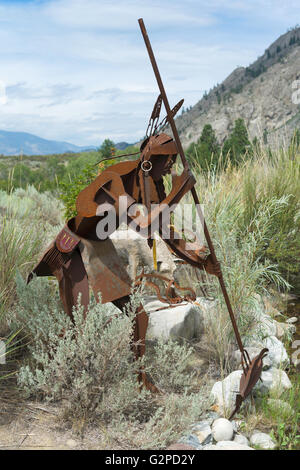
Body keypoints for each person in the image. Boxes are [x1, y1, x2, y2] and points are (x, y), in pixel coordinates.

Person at [28, 132, 220, 392]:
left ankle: (139, 380)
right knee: (78, 325)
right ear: (150, 159)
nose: (171, 166)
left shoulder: (152, 184)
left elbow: (165, 230)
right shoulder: (114, 181)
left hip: (100, 250)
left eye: (174, 159)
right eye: (167, 159)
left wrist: (201, 261)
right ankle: (53, 376)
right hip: (74, 249)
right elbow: (143, 226)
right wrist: (177, 193)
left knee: (138, 316)